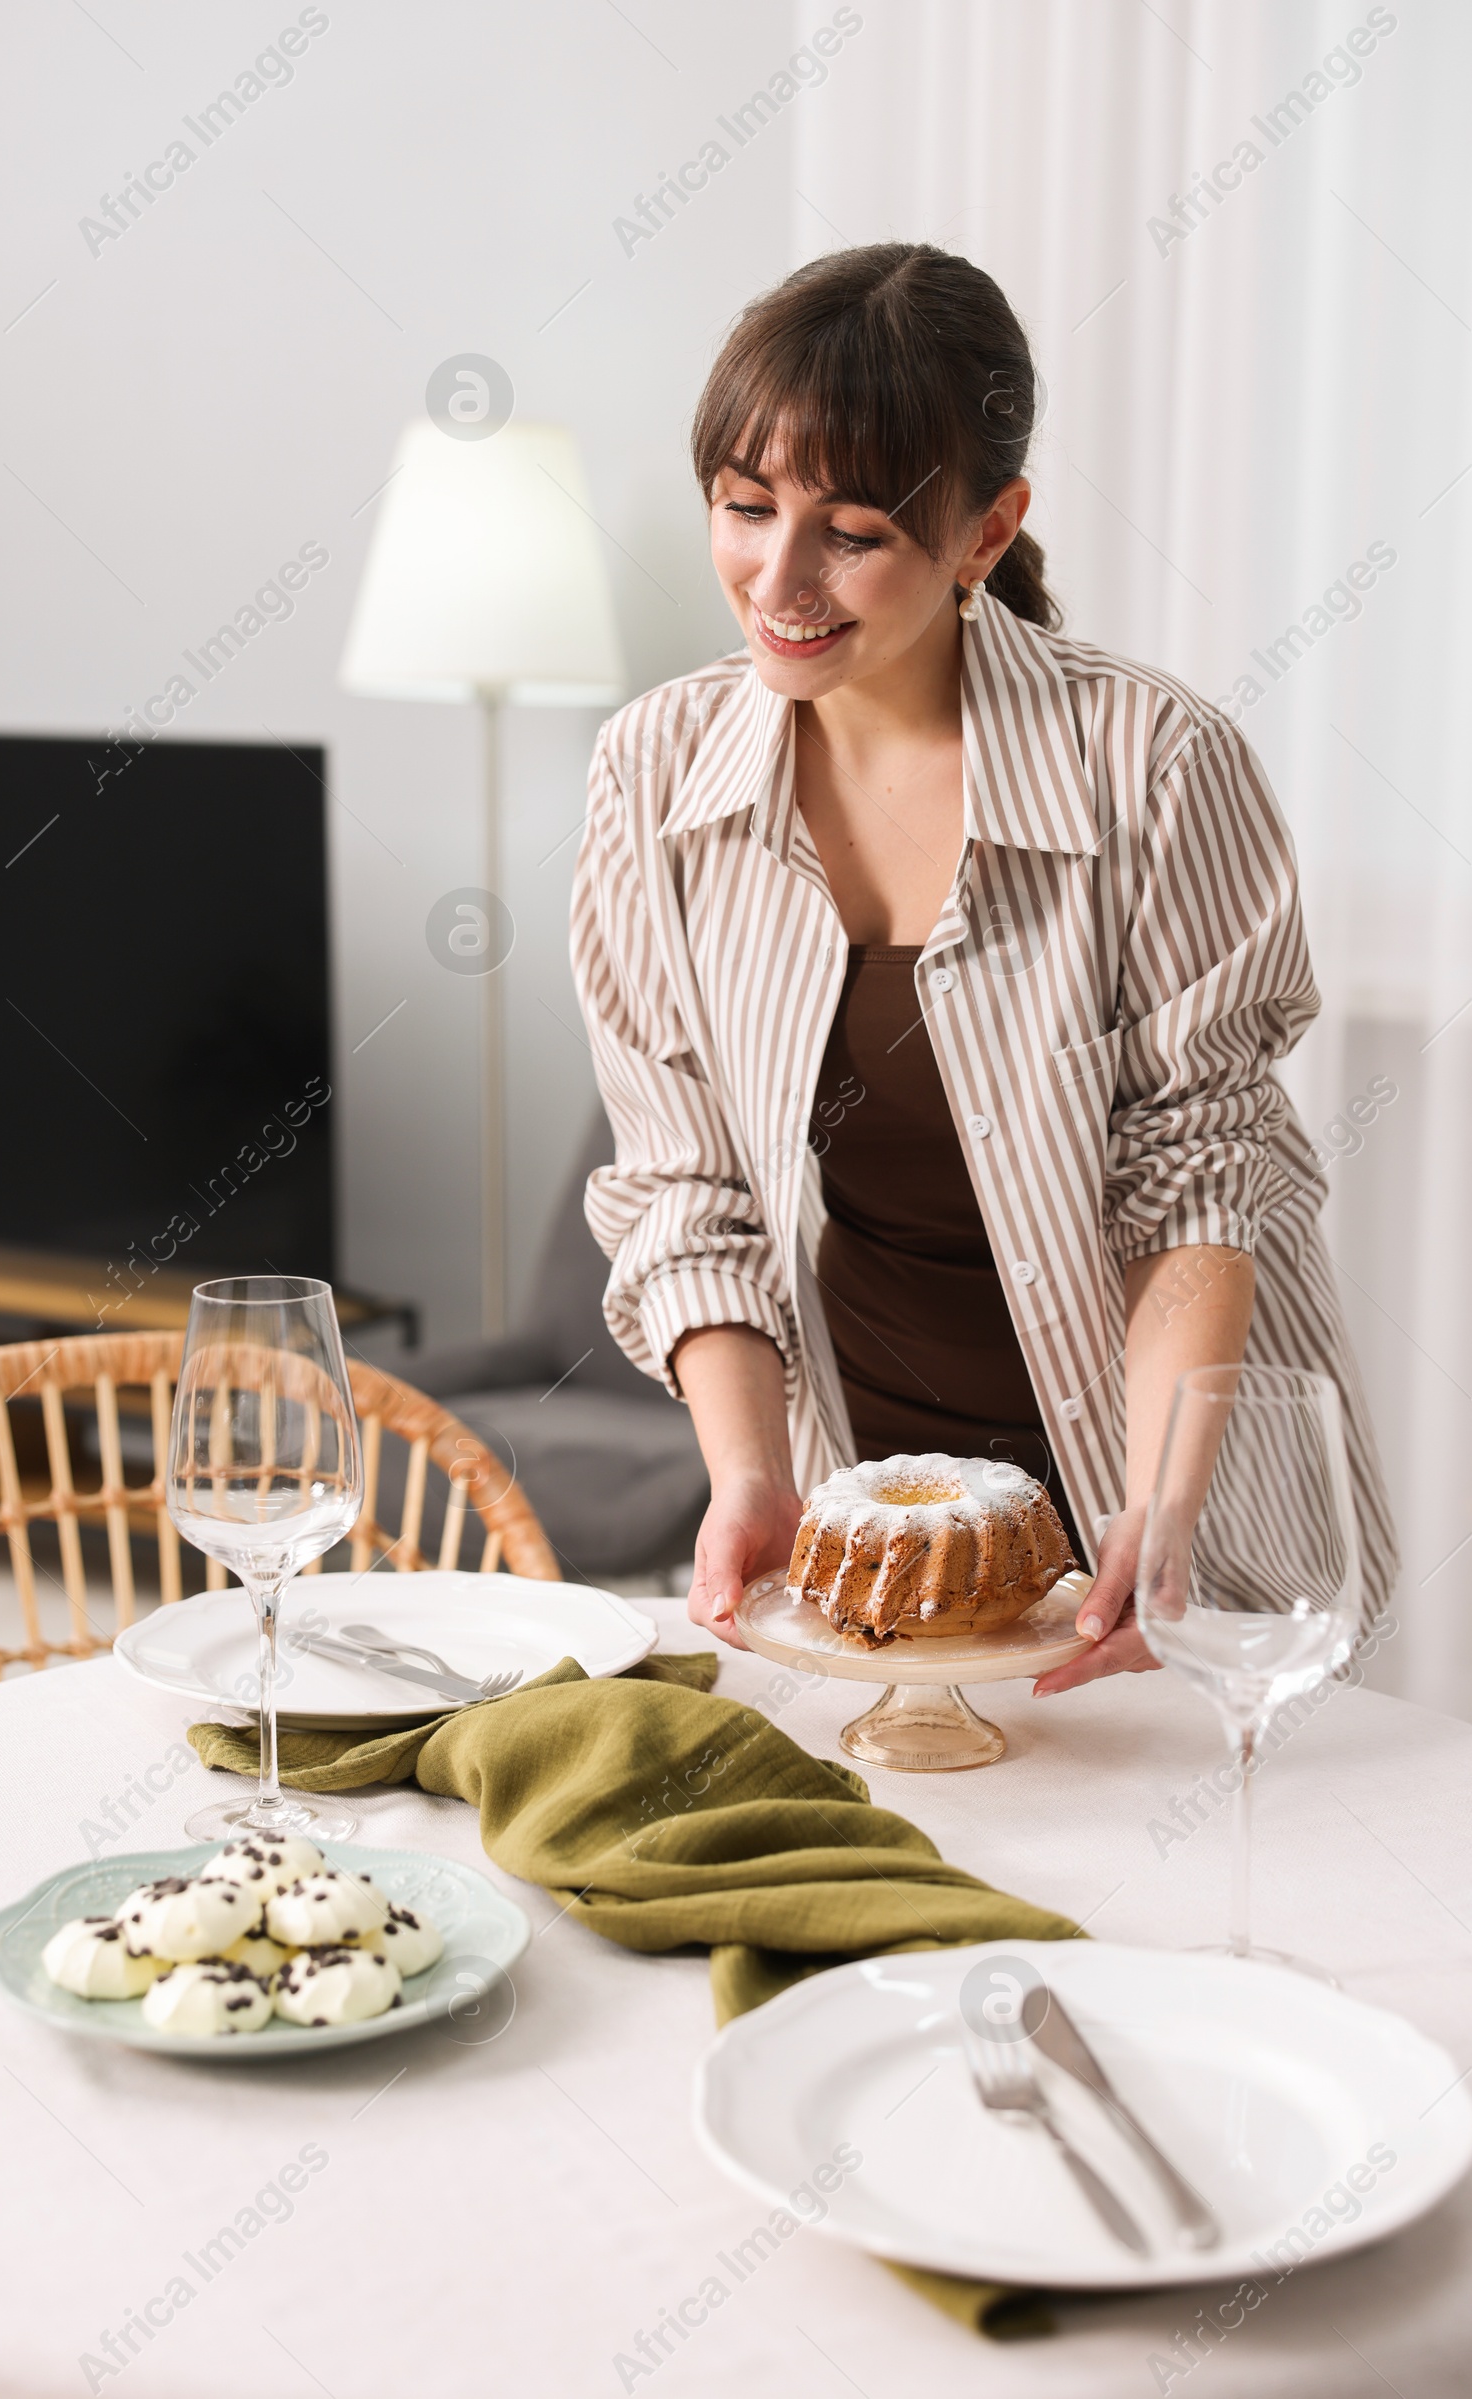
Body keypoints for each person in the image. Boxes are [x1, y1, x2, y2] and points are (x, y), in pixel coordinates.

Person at [570, 242, 1395, 1693]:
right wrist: (752, 1472)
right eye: (745, 510)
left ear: (984, 531)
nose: (779, 578)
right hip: (876, 1529)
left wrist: (1161, 1505)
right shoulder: (655, 773)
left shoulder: (1151, 766)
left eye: (853, 533)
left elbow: (1195, 1167)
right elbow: (682, 1183)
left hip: (1170, 1498)